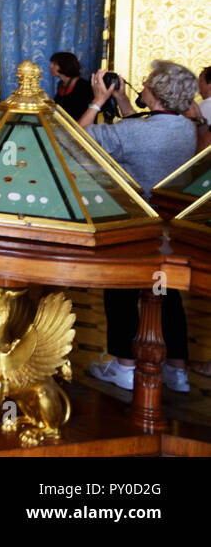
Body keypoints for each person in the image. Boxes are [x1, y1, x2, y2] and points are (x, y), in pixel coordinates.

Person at [81, 60, 199, 393]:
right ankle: (177, 371)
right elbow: (145, 129)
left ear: (157, 93)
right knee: (166, 294)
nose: (141, 85)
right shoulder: (185, 128)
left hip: (135, 226)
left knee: (121, 291)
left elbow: (77, 139)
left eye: (146, 83)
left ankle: (124, 366)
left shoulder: (134, 133)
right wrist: (122, 102)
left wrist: (97, 101)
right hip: (168, 231)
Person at [48, 51, 92, 123]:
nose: (50, 66)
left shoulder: (83, 86)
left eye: (54, 64)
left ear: (64, 65)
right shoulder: (61, 84)